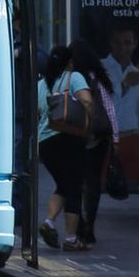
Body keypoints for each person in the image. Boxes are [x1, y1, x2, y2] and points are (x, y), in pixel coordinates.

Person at [38, 42, 94, 249]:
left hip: (46, 144)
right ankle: (71, 238)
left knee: (63, 185)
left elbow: (37, 115)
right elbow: (87, 101)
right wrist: (91, 122)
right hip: (68, 139)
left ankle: (48, 222)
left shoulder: (42, 84)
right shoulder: (74, 77)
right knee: (74, 188)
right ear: (69, 62)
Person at [74, 39, 119, 246]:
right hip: (99, 137)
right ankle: (89, 226)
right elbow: (109, 109)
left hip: (74, 136)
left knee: (74, 183)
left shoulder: (71, 79)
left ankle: (78, 225)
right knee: (93, 184)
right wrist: (115, 139)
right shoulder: (97, 78)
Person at [105, 21, 139, 190]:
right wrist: (124, 85)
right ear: (111, 43)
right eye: (118, 42)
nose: (122, 48)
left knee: (132, 186)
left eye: (127, 42)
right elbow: (105, 100)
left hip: (132, 138)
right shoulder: (101, 67)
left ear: (134, 44)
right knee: (107, 184)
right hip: (108, 137)